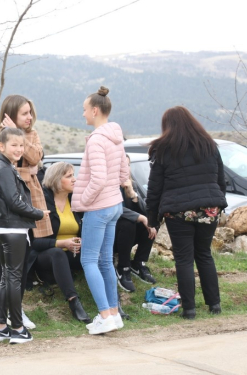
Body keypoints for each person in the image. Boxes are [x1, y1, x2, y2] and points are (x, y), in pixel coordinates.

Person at [146, 106, 227, 320]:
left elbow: (155, 188)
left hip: (179, 211)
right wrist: (216, 204)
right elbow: (220, 179)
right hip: (209, 209)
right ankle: (214, 304)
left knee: (183, 259)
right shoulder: (209, 145)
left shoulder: (162, 149)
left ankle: (189, 310)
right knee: (204, 254)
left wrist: (152, 218)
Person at [0, 94, 53, 335]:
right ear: (10, 113)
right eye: (24, 113)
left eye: (30, 112)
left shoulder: (31, 135)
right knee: (1, 266)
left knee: (24, 260)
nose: (29, 117)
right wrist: (27, 170)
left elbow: (37, 159)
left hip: (31, 197)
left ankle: (16, 310)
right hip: (8, 209)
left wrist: (25, 157)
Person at [71, 86, 129, 335]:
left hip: (99, 207)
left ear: (95, 111)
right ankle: (114, 315)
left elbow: (98, 178)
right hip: (115, 204)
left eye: (84, 110)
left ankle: (104, 316)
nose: (83, 114)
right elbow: (124, 173)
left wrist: (82, 201)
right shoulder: (116, 135)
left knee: (88, 260)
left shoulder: (96, 140)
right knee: (105, 260)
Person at [29, 162, 91, 323]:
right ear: (56, 180)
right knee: (57, 254)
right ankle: (74, 301)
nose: (74, 179)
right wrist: (62, 243)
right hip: (45, 256)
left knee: (96, 252)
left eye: (73, 175)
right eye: (69, 176)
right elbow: (36, 243)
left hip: (72, 253)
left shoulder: (76, 201)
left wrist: (82, 240)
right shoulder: (43, 203)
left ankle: (112, 302)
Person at [114, 155, 157, 292]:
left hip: (129, 235)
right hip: (112, 234)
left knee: (152, 222)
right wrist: (140, 217)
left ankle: (138, 262)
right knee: (129, 223)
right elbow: (114, 209)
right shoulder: (107, 185)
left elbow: (147, 210)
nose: (125, 169)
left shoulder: (133, 184)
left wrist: (132, 194)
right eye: (121, 165)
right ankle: (123, 267)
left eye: (127, 165)